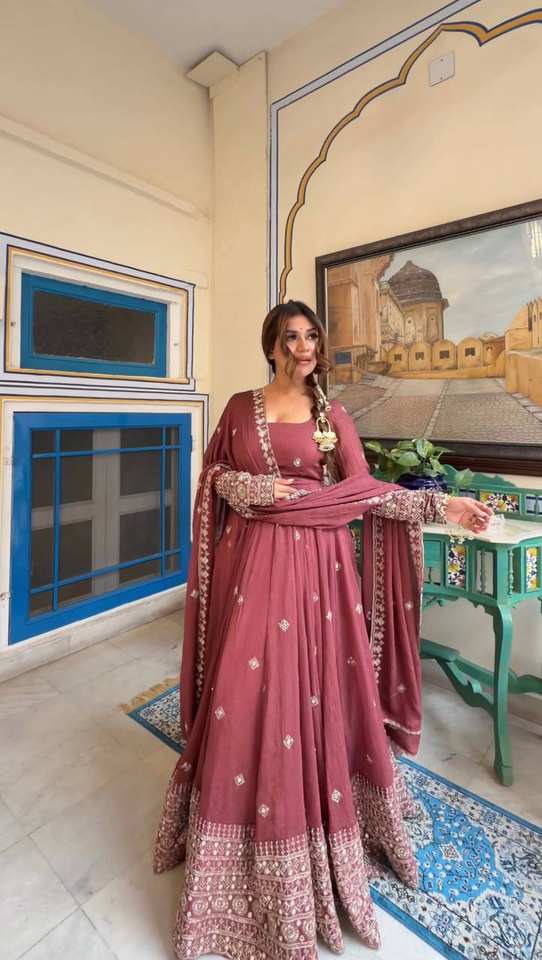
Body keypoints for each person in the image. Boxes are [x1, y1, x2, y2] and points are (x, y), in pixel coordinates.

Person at [153, 300, 491, 959]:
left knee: (316, 691)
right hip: (254, 563)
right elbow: (214, 475)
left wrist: (442, 504)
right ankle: (237, 829)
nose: (304, 346)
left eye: (312, 336)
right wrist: (253, 489)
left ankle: (320, 810)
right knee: (247, 691)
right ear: (271, 345)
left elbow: (364, 492)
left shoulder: (332, 415)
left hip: (321, 570)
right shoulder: (240, 408)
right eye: (291, 337)